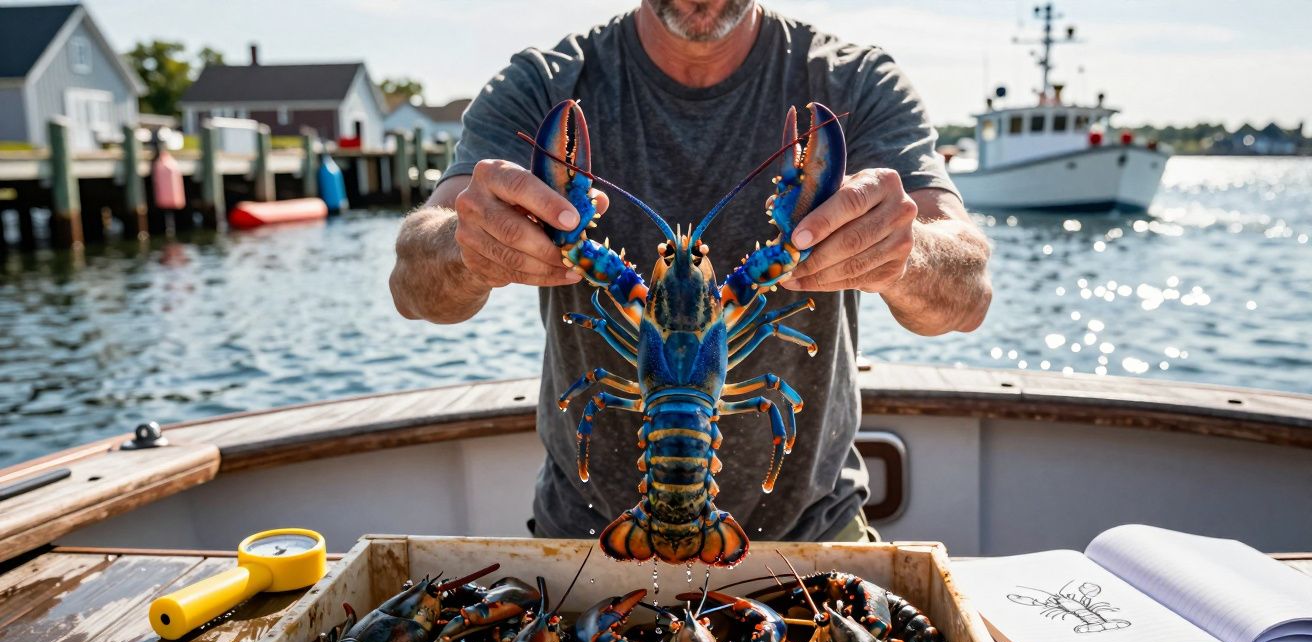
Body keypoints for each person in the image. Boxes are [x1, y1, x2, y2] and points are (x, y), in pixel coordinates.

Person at [390, 0, 992, 546]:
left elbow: (968, 296)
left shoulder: (853, 81)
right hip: (585, 538)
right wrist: (462, 245)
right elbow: (412, 285)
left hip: (813, 535)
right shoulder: (544, 82)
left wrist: (902, 256)